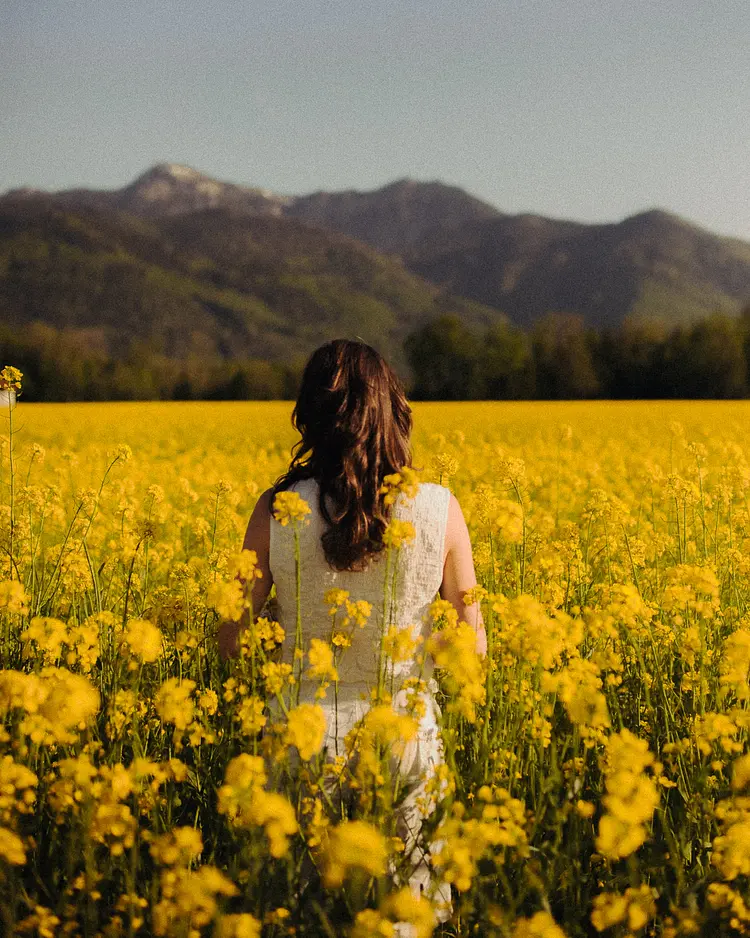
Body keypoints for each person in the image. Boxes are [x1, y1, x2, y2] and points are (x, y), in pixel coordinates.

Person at [218, 339, 485, 913]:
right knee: (406, 915)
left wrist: (280, 633)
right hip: (406, 744)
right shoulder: (440, 509)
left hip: (300, 741)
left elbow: (232, 639)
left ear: (310, 415)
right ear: (394, 410)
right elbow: (472, 647)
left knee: (300, 914)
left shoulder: (276, 508)